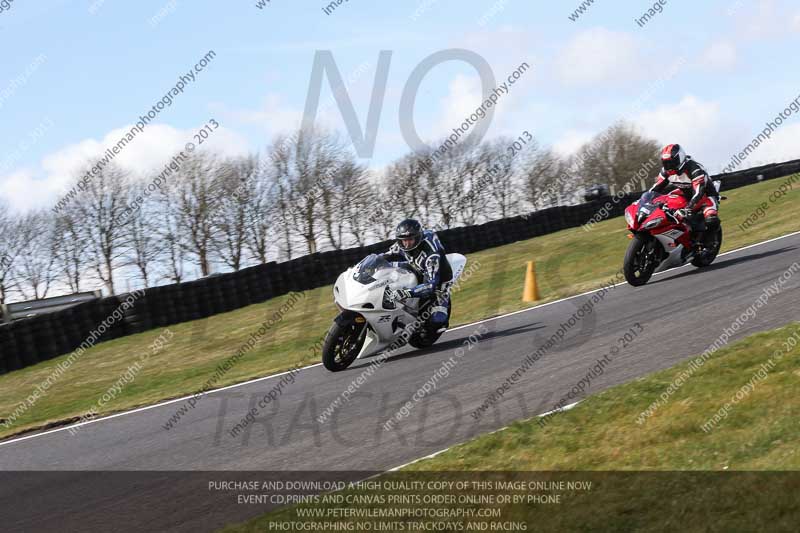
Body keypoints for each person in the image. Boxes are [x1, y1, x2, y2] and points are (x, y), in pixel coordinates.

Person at [380, 219, 452, 330]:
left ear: (417, 238)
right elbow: (386, 255)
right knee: (387, 267)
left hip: (438, 279)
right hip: (415, 267)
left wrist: (405, 293)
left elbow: (431, 285)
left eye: (410, 240)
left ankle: (440, 318)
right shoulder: (401, 244)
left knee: (438, 320)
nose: (407, 244)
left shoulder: (430, 255)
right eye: (404, 240)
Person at [650, 143, 720, 252]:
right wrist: (645, 200)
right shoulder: (666, 171)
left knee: (711, 219)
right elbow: (655, 189)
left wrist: (687, 208)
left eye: (671, 162)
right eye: (666, 163)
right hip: (684, 193)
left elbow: (698, 192)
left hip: (705, 196)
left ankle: (709, 242)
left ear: (680, 158)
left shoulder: (694, 169)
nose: (669, 165)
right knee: (664, 205)